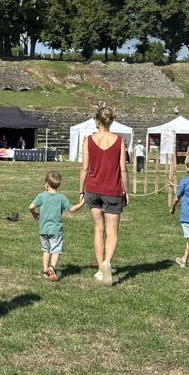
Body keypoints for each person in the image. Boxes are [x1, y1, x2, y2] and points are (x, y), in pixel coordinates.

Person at [74, 106, 128, 285]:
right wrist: (126, 191)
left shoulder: (88, 140)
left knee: (98, 229)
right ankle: (107, 262)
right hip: (112, 190)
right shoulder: (119, 140)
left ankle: (100, 269)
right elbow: (123, 169)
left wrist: (81, 190)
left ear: (97, 121)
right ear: (110, 121)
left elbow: (84, 168)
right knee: (112, 232)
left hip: (93, 189)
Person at [29, 171, 72, 281]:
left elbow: (31, 207)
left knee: (46, 250)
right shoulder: (61, 198)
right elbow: (71, 209)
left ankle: (45, 271)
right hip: (56, 230)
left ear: (46, 184)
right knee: (56, 250)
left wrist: (34, 214)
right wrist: (81, 203)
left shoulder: (41, 196)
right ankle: (52, 267)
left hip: (43, 229)